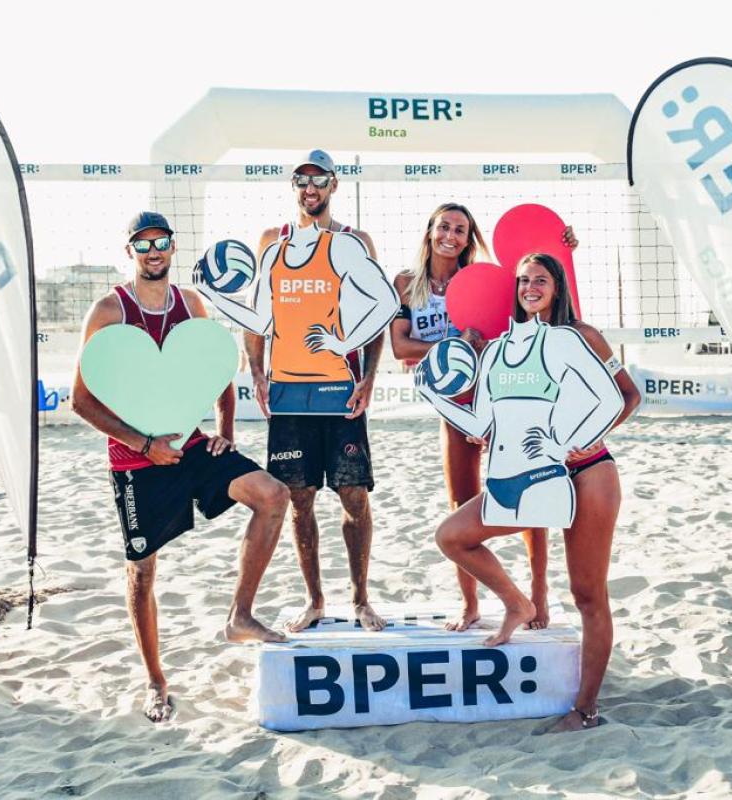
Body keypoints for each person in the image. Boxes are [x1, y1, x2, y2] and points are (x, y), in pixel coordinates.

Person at [72, 211, 291, 723]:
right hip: (136, 459)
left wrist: (226, 431)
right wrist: (142, 443)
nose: (153, 251)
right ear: (129, 251)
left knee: (272, 494)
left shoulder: (191, 303)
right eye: (142, 243)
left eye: (161, 242)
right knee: (143, 572)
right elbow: (81, 401)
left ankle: (240, 615)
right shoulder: (108, 310)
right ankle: (155, 680)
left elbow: (216, 368)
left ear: (173, 247)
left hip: (191, 447)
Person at [427, 252, 640, 733]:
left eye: (539, 280)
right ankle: (518, 603)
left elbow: (627, 396)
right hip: (531, 476)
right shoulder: (505, 345)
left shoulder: (582, 337)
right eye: (522, 281)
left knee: (588, 595)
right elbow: (495, 415)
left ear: (557, 286)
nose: (529, 287)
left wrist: (578, 438)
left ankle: (584, 709)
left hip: (588, 472)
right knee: (453, 535)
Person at [389, 204, 579, 631]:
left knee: (527, 493)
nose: (450, 236)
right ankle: (470, 605)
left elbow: (539, 291)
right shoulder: (406, 284)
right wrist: (455, 345)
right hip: (454, 402)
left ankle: (539, 594)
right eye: (444, 226)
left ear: (469, 237)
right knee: (460, 502)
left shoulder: (484, 279)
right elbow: (401, 348)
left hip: (499, 399)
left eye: (460, 229)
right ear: (430, 230)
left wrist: (563, 247)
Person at [244, 150, 391, 632]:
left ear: (333, 185)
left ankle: (361, 598)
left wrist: (369, 376)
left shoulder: (354, 241)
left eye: (319, 180)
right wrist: (258, 373)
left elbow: (377, 315)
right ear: (294, 186)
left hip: (340, 391)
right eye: (302, 180)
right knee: (299, 498)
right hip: (288, 394)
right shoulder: (273, 241)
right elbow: (256, 315)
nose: (311, 188)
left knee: (352, 495)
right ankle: (315, 601)